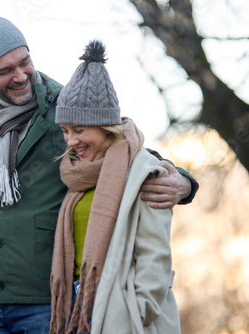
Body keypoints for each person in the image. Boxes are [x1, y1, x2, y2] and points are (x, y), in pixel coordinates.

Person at [0, 16, 197, 333]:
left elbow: (122, 146)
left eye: (25, 62)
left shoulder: (63, 107)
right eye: (5, 70)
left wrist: (184, 182)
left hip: (46, 297)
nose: (21, 75)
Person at [49, 40, 180, 334]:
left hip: (122, 310)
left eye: (79, 130)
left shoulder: (142, 171)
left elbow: (154, 257)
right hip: (76, 306)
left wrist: (135, 310)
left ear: (106, 126)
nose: (71, 141)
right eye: (66, 131)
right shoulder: (76, 176)